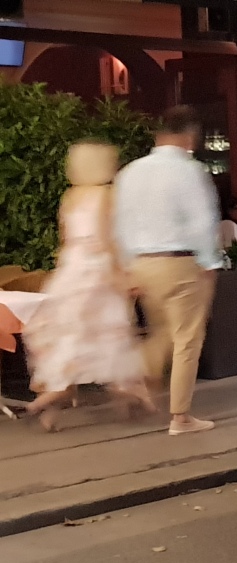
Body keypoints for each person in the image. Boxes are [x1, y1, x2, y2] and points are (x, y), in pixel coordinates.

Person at [21, 141, 159, 432]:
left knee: (69, 337)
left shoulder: (70, 197)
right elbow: (108, 239)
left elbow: (65, 240)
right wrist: (122, 275)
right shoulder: (106, 195)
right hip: (98, 271)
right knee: (113, 336)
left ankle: (53, 397)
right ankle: (132, 396)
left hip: (71, 270)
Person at [114, 105, 220, 436]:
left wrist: (127, 266)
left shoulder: (130, 172)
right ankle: (181, 417)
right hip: (181, 262)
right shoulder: (190, 171)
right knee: (187, 338)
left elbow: (119, 222)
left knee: (160, 332)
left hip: (142, 264)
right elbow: (202, 221)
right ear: (189, 136)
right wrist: (211, 262)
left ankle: (134, 382)